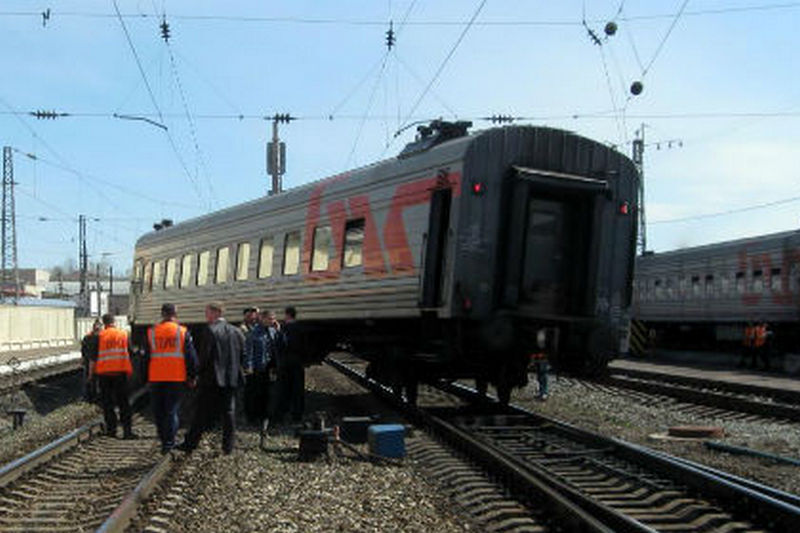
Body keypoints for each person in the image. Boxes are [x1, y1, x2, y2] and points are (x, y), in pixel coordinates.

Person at [178, 302, 245, 455]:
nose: (206, 316)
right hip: (231, 378)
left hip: (212, 379)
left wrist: (195, 374)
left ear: (216, 313)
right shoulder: (236, 331)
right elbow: (243, 353)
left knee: (201, 412)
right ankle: (228, 447)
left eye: (207, 312)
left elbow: (204, 357)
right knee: (229, 412)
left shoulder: (210, 331)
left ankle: (190, 443)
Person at [146, 303, 199, 454]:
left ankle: (163, 439)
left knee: (159, 411)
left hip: (156, 377)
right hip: (176, 377)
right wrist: (192, 375)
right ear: (175, 314)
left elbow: (145, 358)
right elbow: (191, 357)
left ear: (162, 314)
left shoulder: (152, 332)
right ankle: (169, 443)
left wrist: (145, 378)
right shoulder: (182, 332)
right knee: (171, 410)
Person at [90, 314, 135, 439]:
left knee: (108, 404)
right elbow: (130, 353)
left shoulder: (99, 336)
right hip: (120, 374)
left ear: (104, 323)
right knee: (123, 403)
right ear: (114, 322)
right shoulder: (123, 334)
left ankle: (111, 430)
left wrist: (90, 375)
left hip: (104, 375)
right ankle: (127, 432)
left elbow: (93, 359)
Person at [243, 310, 280, 427]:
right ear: (262, 319)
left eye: (274, 319)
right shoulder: (254, 333)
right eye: (270, 319)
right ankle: (252, 417)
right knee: (254, 393)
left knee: (267, 392)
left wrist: (278, 330)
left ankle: (264, 416)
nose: (272, 321)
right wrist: (248, 366)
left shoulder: (273, 331)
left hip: (268, 367)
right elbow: (249, 351)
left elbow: (277, 348)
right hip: (257, 367)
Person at [274, 306, 307, 424]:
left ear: (287, 315)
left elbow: (280, 345)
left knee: (283, 389)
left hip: (285, 362)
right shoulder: (301, 328)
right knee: (298, 389)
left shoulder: (283, 328)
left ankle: (281, 415)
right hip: (298, 362)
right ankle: (297, 416)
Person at [81, 319, 102, 402]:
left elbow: (83, 350)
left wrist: (83, 358)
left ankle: (89, 396)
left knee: (89, 379)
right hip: (97, 361)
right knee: (95, 380)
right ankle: (94, 396)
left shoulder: (87, 337)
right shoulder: (100, 337)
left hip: (89, 360)